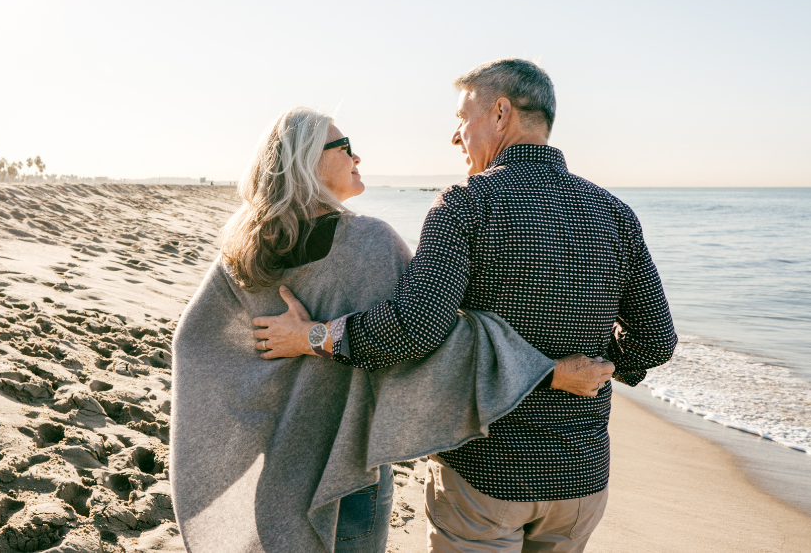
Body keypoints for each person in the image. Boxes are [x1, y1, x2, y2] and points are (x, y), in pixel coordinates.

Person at [252, 59, 677, 552]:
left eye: (462, 117)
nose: (456, 136)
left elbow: (414, 329)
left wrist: (313, 336)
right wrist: (603, 365)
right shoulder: (614, 213)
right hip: (581, 481)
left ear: (500, 114)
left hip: (485, 475)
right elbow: (656, 340)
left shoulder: (466, 203)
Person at [170, 107, 609, 552]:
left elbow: (196, 345)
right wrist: (548, 372)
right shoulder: (369, 244)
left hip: (277, 462)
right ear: (306, 160)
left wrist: (270, 383)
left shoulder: (242, 249)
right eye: (344, 148)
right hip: (345, 467)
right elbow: (429, 340)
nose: (357, 157)